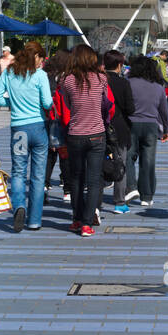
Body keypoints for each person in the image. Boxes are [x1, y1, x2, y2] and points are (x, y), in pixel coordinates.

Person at [0, 41, 52, 232]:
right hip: (38, 129)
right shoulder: (40, 76)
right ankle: (34, 220)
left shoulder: (9, 73)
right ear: (36, 57)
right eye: (41, 59)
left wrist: (13, 103)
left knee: (18, 172)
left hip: (19, 130)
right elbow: (48, 102)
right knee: (38, 175)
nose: (42, 63)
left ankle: (19, 205)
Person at [56, 45, 115, 236]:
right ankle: (87, 224)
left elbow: (67, 103)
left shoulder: (66, 80)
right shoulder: (101, 79)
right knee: (94, 180)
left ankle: (76, 219)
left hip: (75, 134)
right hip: (97, 134)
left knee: (76, 178)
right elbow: (105, 103)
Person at [125, 55, 168, 208]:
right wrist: (166, 130)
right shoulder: (158, 86)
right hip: (151, 126)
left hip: (131, 124)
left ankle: (131, 187)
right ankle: (147, 196)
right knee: (148, 161)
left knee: (128, 157)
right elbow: (164, 110)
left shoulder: (128, 83)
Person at [102, 49, 136, 213]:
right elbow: (131, 108)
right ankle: (119, 201)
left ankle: (95, 200)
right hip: (119, 128)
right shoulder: (123, 83)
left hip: (98, 127)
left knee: (97, 164)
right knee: (119, 163)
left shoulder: (99, 80)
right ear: (119, 65)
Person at [42, 49, 71, 201]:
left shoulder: (46, 75)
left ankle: (45, 185)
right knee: (65, 155)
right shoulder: (66, 77)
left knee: (49, 154)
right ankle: (67, 189)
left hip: (48, 117)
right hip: (62, 118)